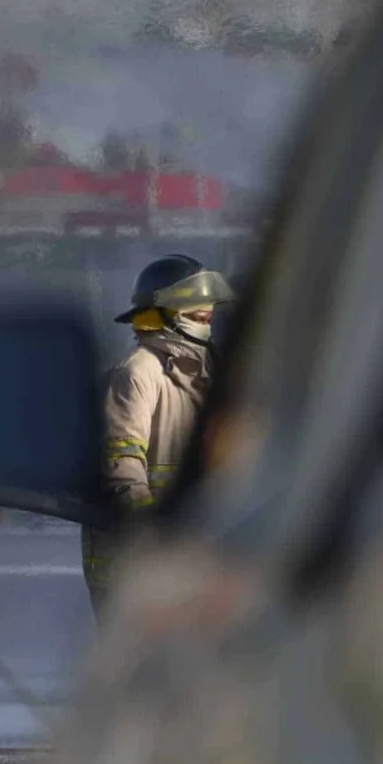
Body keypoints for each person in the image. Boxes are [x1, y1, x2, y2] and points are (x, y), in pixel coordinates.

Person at [82, 255, 236, 604]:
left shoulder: (204, 374)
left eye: (207, 306)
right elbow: (120, 467)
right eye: (194, 306)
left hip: (186, 565)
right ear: (163, 311)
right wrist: (156, 537)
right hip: (133, 569)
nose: (206, 311)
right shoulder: (138, 373)